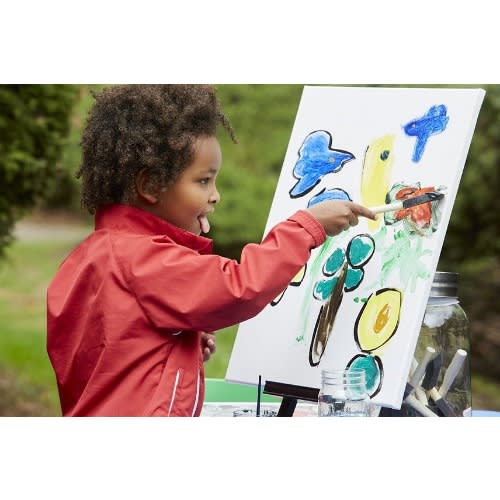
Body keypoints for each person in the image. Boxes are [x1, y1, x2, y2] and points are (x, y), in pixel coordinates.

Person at [46, 85, 376, 416]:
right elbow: (241, 286)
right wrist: (305, 227)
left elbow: (113, 350)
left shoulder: (93, 255)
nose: (215, 195)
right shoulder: (142, 258)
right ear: (150, 185)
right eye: (203, 181)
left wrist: (177, 343)